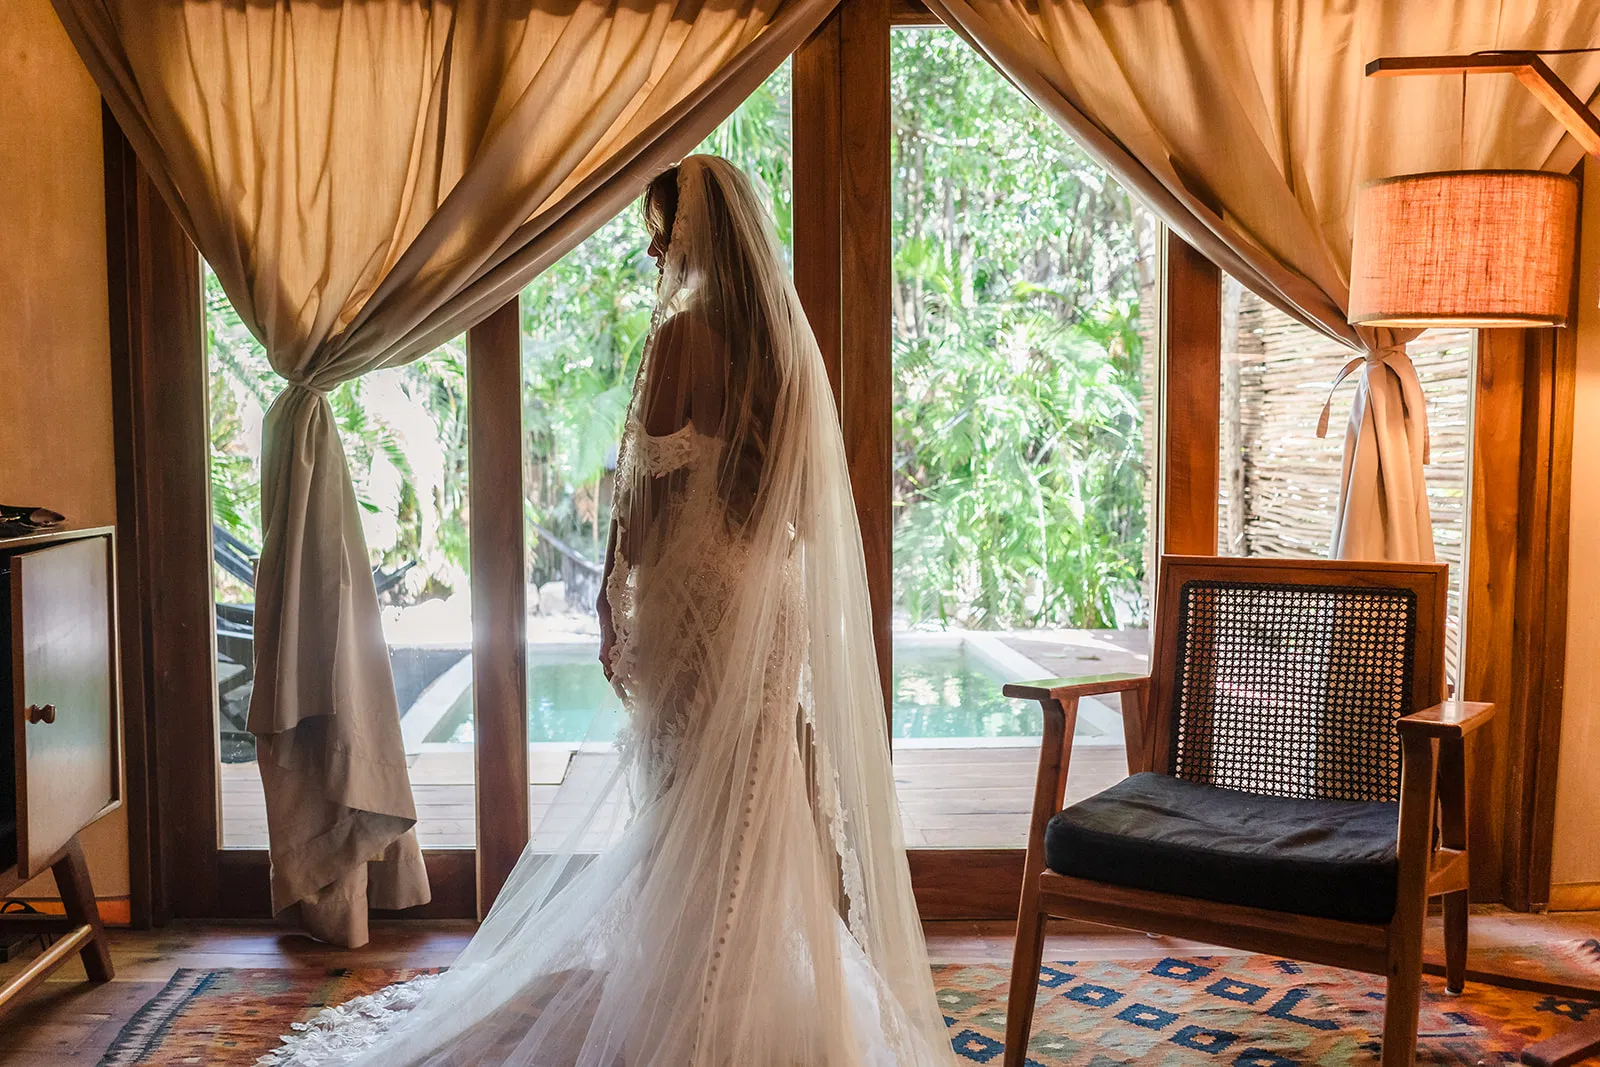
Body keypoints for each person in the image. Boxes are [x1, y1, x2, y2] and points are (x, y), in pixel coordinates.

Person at [259, 155, 953, 1066]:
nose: (654, 247)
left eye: (659, 228)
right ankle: (749, 987)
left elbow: (647, 492)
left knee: (681, 790)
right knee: (755, 787)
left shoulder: (682, 337)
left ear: (690, 231)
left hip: (696, 594)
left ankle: (691, 1000)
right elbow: (788, 507)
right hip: (765, 594)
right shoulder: (786, 345)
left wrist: (611, 600)